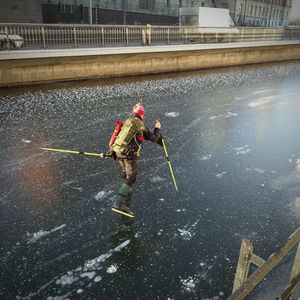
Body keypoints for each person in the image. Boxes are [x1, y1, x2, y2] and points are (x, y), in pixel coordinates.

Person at [109, 103, 162, 216]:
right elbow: (153, 138)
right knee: (132, 175)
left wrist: (112, 150)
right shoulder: (140, 125)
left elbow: (118, 134)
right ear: (142, 115)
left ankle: (126, 189)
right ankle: (119, 203)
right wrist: (157, 128)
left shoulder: (128, 121)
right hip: (128, 155)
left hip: (117, 152)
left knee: (126, 173)